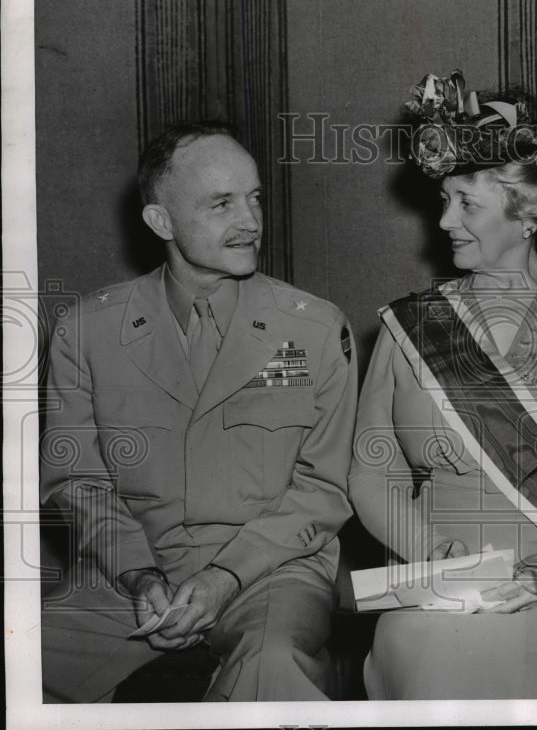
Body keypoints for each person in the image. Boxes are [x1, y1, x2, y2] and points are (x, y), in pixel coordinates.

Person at [348, 72, 537, 699]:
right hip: (443, 580)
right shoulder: (407, 327)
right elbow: (369, 469)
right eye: (443, 200)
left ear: (526, 214)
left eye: (466, 203)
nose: (443, 221)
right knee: (432, 657)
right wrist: (428, 550)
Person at [40, 121, 358, 702]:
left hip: (273, 570)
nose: (251, 222)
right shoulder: (87, 331)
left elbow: (323, 489)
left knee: (271, 666)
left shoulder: (314, 328)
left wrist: (223, 577)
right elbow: (78, 480)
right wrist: (137, 573)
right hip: (132, 575)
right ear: (161, 221)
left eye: (254, 197)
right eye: (221, 203)